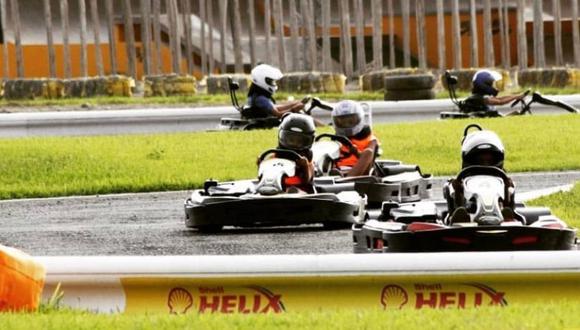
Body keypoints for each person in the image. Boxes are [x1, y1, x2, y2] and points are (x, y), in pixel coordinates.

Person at [445, 125, 517, 223]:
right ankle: (460, 219)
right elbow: (456, 198)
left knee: (510, 190)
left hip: (500, 212)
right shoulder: (464, 181)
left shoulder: (502, 181)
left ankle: (507, 218)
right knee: (449, 185)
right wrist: (457, 189)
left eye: (489, 161)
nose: (485, 164)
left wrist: (507, 187)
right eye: (480, 160)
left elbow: (508, 201)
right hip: (469, 213)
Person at [259, 113, 316, 193]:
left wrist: (304, 167)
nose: (294, 144)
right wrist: (261, 164)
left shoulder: (306, 160)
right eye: (291, 140)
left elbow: (307, 179)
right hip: (274, 188)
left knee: (294, 191)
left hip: (301, 192)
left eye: (299, 141)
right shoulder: (275, 156)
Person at [331, 100, 380, 177]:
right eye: (342, 122)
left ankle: (345, 181)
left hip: (362, 172)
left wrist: (356, 152)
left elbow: (368, 157)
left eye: (350, 121)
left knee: (368, 152)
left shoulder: (371, 140)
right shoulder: (336, 140)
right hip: (338, 169)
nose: (347, 125)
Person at [463, 69, 527, 115]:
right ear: (484, 85)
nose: (493, 87)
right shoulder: (478, 98)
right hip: (487, 123)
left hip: (491, 117)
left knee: (517, 113)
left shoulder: (479, 97)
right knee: (517, 113)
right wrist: (516, 96)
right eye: (490, 84)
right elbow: (500, 101)